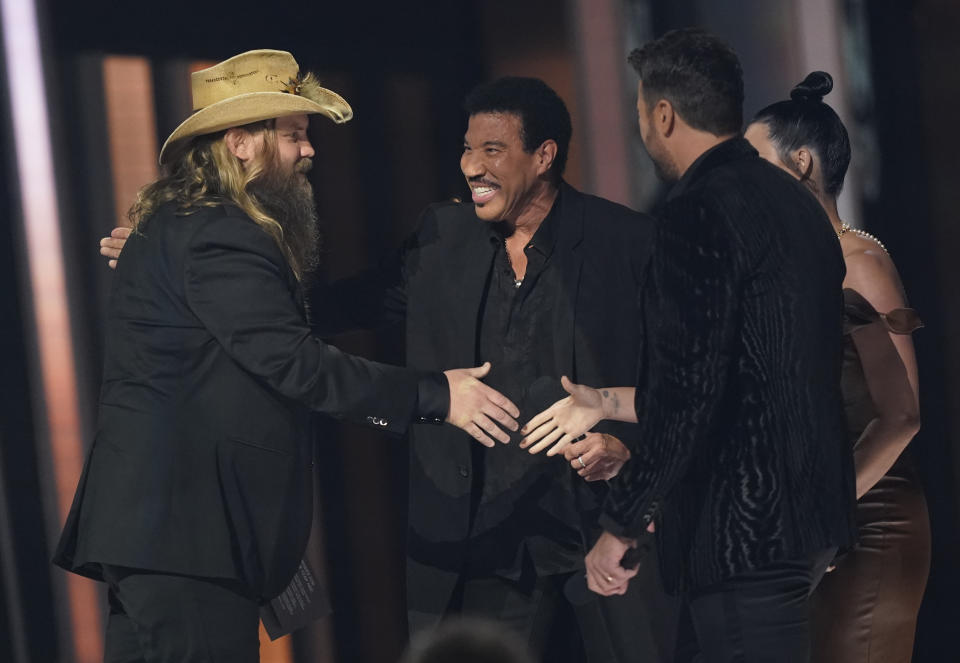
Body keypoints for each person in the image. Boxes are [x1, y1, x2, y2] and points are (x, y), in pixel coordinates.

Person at [101, 76, 677, 663]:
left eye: (492, 151)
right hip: (473, 541)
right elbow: (324, 317)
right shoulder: (441, 236)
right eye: (466, 149)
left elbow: (684, 377)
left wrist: (624, 447)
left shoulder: (628, 242)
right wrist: (177, 275)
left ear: (545, 155)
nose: (472, 166)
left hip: (603, 533)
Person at [55, 49, 520, 663]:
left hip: (160, 539)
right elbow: (295, 362)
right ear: (241, 142)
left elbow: (284, 326)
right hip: (190, 537)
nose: (309, 152)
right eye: (295, 135)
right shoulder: (222, 231)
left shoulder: (183, 227)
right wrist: (437, 396)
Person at [521, 29, 856, 662]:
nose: (642, 130)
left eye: (641, 113)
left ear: (664, 114)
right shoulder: (794, 200)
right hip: (808, 520)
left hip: (743, 531)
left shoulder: (697, 210)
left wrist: (619, 522)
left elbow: (688, 392)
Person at [744, 71, 930, 663]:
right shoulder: (784, 265)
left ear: (800, 164)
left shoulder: (861, 261)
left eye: (753, 163)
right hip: (808, 522)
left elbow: (901, 416)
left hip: (869, 518)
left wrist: (821, 508)